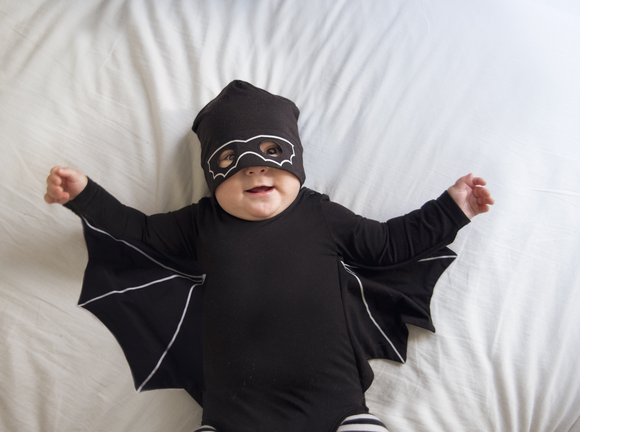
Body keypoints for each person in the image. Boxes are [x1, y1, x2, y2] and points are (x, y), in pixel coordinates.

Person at [44, 80, 493, 432]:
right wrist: (86, 197)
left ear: (296, 164)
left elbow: (389, 245)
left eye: (272, 153)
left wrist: (451, 209)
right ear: (211, 178)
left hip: (336, 410)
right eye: (231, 159)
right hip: (231, 417)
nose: (255, 168)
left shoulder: (320, 214)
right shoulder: (200, 223)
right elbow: (138, 232)